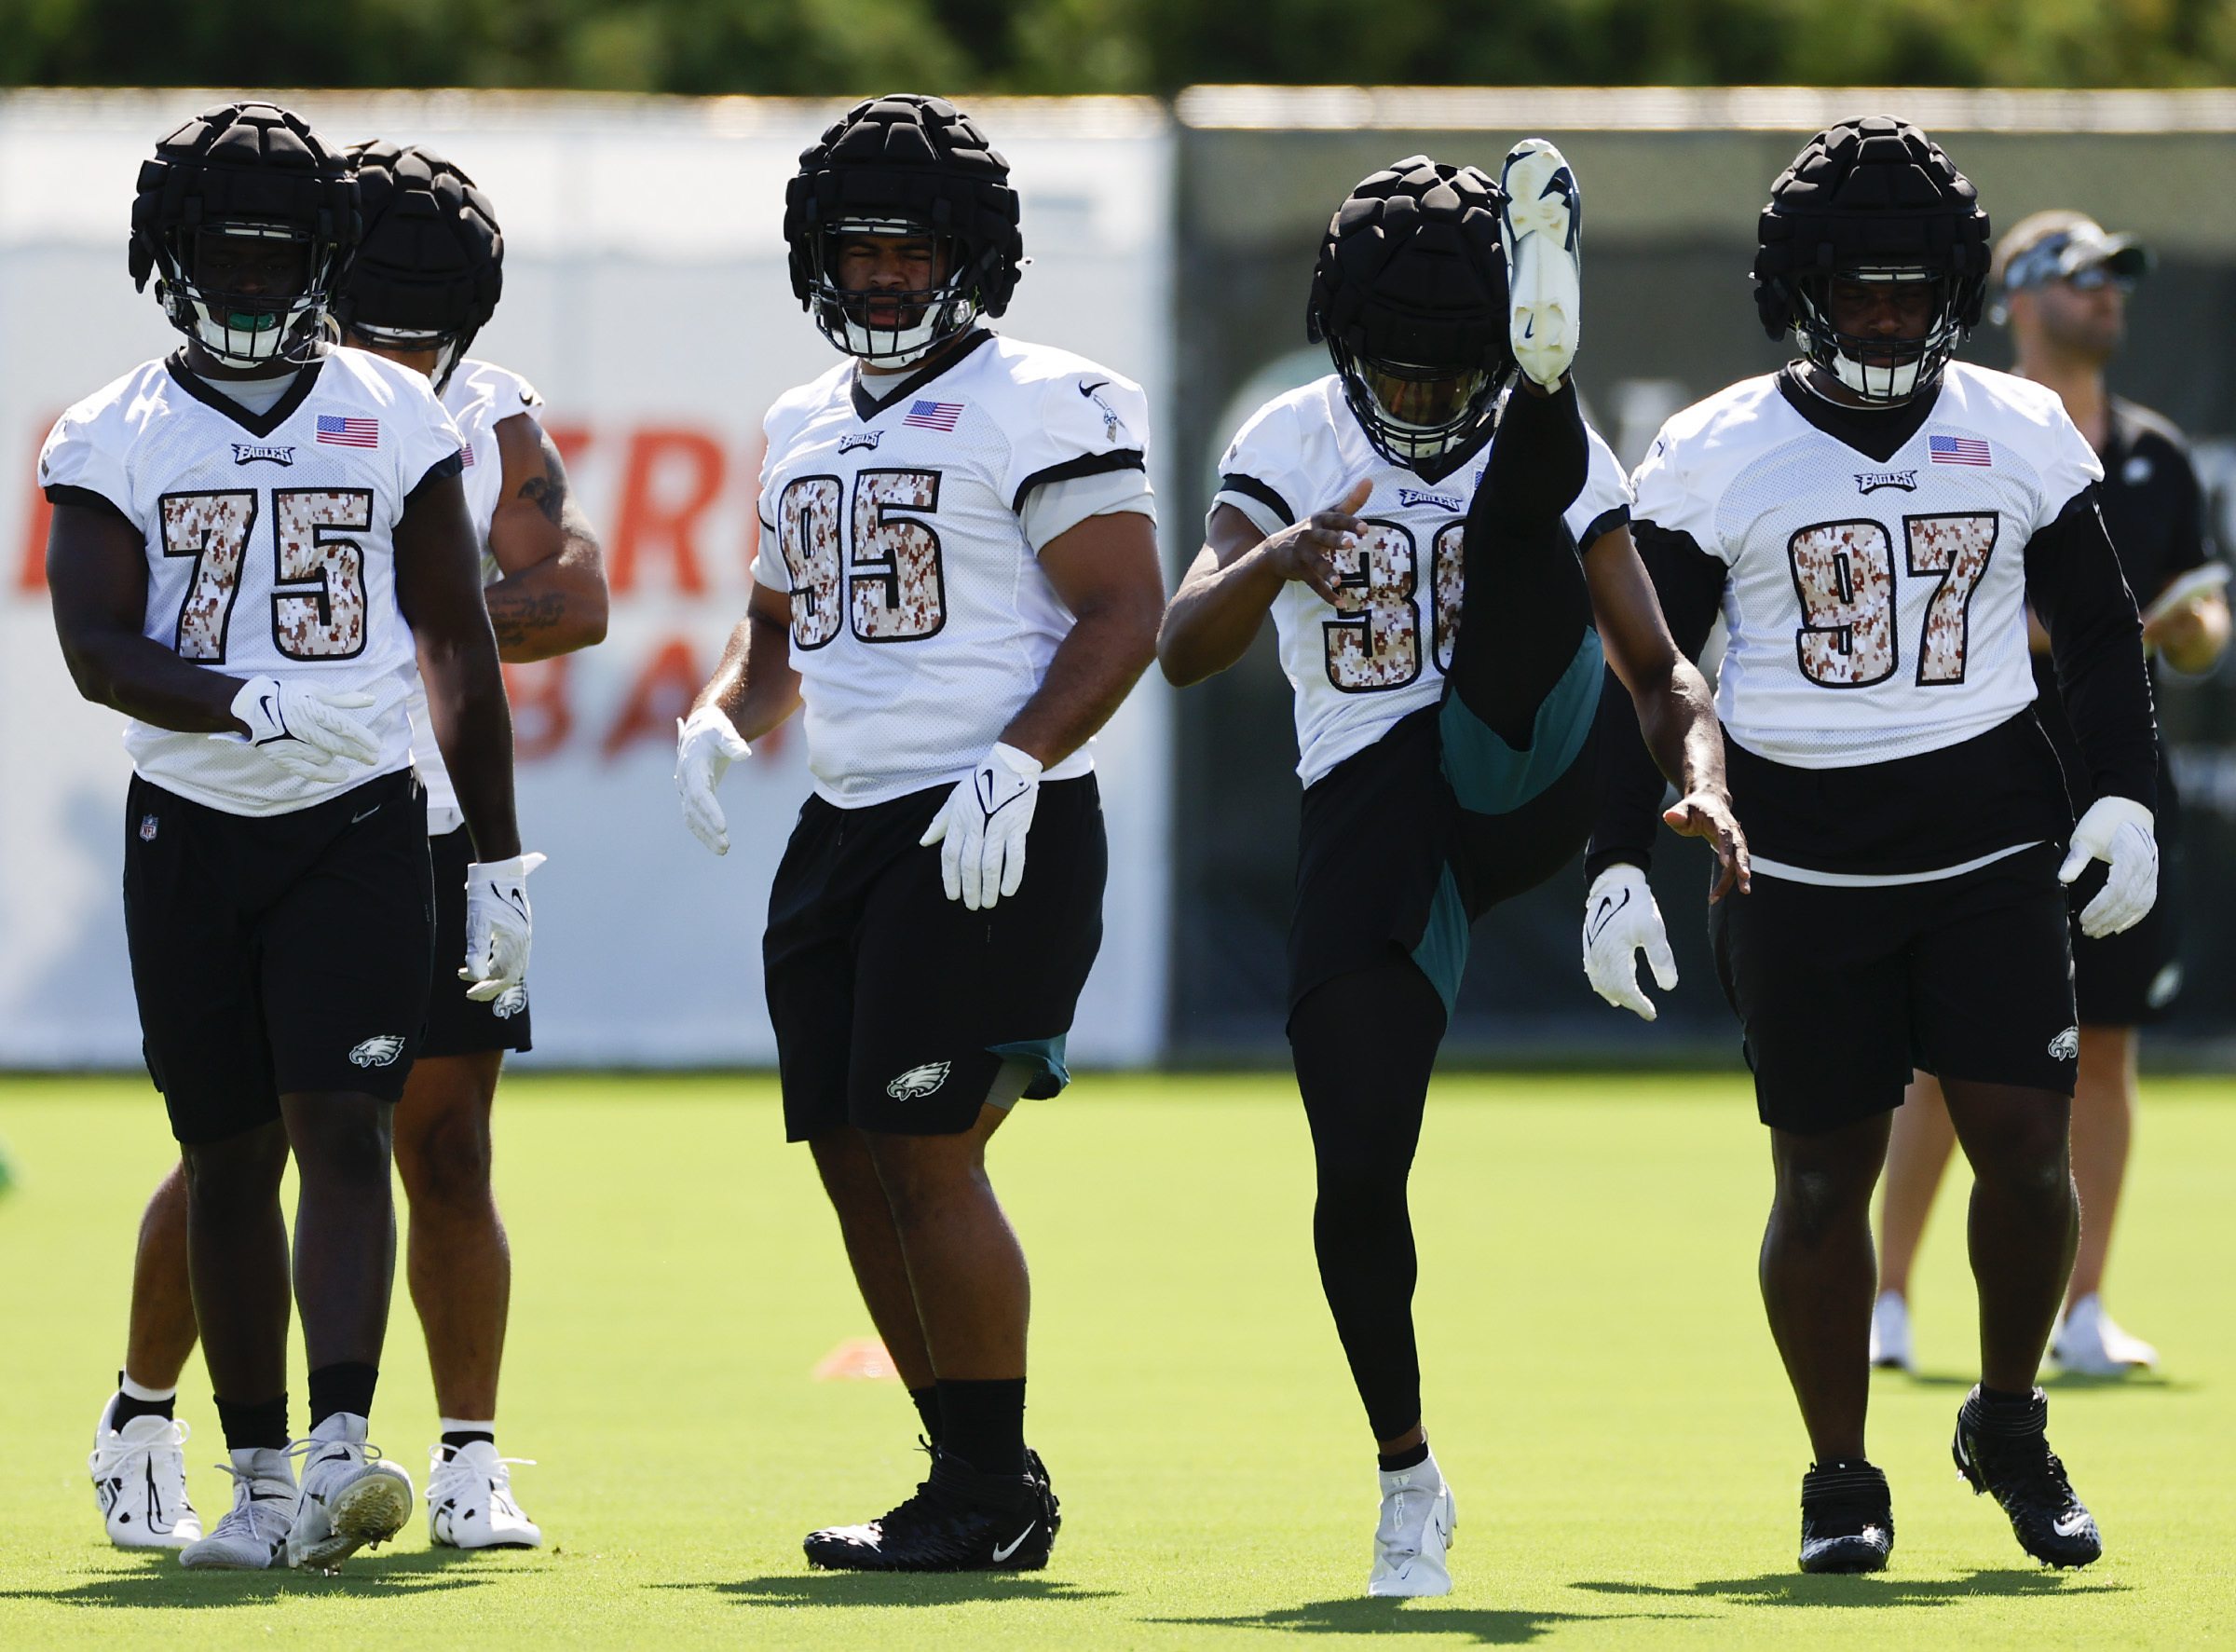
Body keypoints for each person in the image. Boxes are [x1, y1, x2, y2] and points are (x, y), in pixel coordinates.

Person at [1158, 144, 1745, 1596]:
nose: (1419, 402)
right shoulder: (1293, 441)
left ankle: (1553, 367)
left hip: (1520, 761)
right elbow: (1179, 643)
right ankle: (1408, 1476)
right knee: (1357, 1166)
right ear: (1345, 348)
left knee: (1519, 525)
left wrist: (1692, 796)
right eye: (1398, 375)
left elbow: (1660, 665)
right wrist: (1275, 558)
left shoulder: (1547, 453)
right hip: (1371, 807)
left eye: (1452, 373)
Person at [1587, 117, 2160, 1574]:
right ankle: (1839, 1475)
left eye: (1913, 291)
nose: (1891, 317)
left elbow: (2098, 635)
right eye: (1864, 292)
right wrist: (1614, 850)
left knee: (2027, 1154)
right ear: (1804, 292)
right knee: (1822, 1178)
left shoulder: (2021, 425)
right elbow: (1648, 666)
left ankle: (2011, 1421)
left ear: (1955, 288)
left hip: (1984, 836)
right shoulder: (1717, 448)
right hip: (1798, 856)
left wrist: (2125, 794)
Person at [84, 139, 607, 1556]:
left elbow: (577, 595)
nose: (399, 349)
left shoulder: (478, 415)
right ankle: (142, 1413)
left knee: (435, 1148)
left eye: (426, 331)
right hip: (251, 802)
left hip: (412, 821)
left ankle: (465, 1457)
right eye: (380, 319)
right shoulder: (205, 398)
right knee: (231, 1149)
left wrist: (380, 650)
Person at [674, 94, 1163, 1572]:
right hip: (843, 823)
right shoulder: (798, 419)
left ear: (970, 255)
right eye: (858, 247)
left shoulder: (1051, 395)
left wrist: (1019, 760)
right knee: (848, 1153)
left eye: (909, 247)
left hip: (987, 819)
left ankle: (992, 1486)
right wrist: (720, 717)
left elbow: (1125, 610)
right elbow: (772, 636)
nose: (881, 275)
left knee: (924, 1146)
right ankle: (965, 1475)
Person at [1871, 211, 2228, 1379]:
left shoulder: (2160, 456)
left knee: (2109, 1051)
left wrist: (2186, 633)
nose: (2110, 298)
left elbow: (2200, 617)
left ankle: (2083, 1309)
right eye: (2084, 279)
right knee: (1940, 1056)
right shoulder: (1972, 430)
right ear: (2020, 297)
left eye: (2120, 279)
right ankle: (1886, 1298)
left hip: (2122, 795)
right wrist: (2071, 630)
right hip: (1988, 783)